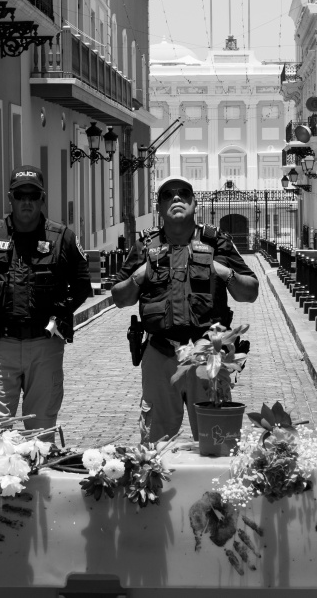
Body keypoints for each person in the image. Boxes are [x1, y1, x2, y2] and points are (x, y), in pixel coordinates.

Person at [112, 175, 259, 444]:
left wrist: (224, 272)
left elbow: (250, 292)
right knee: (156, 442)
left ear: (194, 203)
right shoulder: (146, 246)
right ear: (158, 207)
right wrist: (140, 276)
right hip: (160, 352)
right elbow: (119, 298)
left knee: (217, 438)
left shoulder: (217, 242)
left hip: (207, 352)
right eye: (168, 195)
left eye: (183, 194)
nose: (176, 198)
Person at [0, 165, 91, 438]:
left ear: (43, 198)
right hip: (1, 346)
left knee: (41, 431)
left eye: (33, 195)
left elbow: (81, 286)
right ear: (10, 198)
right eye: (21, 195)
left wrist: (59, 314)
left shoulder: (62, 238)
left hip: (44, 346)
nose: (27, 202)